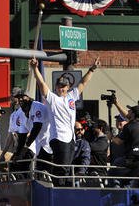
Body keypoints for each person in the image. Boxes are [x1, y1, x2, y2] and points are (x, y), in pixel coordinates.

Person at [30, 56, 101, 186]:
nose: (61, 88)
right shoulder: (52, 98)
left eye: (64, 86)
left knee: (67, 167)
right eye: (59, 86)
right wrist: (35, 68)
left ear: (68, 87)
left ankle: (63, 188)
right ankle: (58, 189)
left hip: (70, 138)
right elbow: (41, 84)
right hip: (59, 137)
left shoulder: (71, 96)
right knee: (61, 168)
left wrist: (92, 69)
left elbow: (83, 83)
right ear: (56, 87)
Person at [13, 91, 53, 176]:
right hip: (39, 147)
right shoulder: (21, 114)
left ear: (29, 97)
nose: (20, 99)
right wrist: (18, 153)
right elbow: (22, 136)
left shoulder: (37, 106)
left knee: (50, 172)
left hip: (50, 144)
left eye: (23, 96)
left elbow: (37, 127)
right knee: (40, 173)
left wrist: (27, 145)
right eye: (18, 97)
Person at [109, 104, 139, 187]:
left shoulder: (129, 126)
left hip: (130, 159)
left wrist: (110, 137)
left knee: (113, 169)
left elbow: (118, 142)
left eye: (130, 110)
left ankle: (114, 189)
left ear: (133, 114)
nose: (128, 111)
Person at [0, 87, 27, 162]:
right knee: (12, 170)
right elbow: (9, 138)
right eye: (11, 95)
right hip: (17, 150)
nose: (11, 97)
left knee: (21, 172)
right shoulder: (12, 115)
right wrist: (2, 155)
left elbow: (33, 130)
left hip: (26, 150)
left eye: (13, 96)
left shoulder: (26, 111)